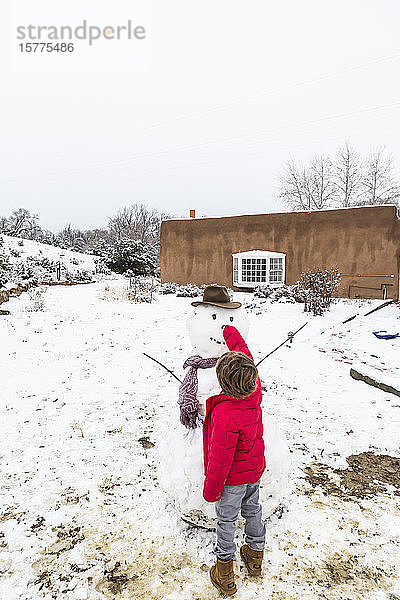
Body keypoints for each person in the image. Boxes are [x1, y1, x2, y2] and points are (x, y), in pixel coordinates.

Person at [202, 325, 266, 596]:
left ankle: (224, 570)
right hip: (254, 471)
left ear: (224, 384)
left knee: (226, 520)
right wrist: (230, 331)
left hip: (232, 481)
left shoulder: (226, 414)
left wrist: (211, 490)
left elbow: (220, 460)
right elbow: (244, 354)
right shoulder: (254, 391)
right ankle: (255, 555)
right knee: (253, 510)